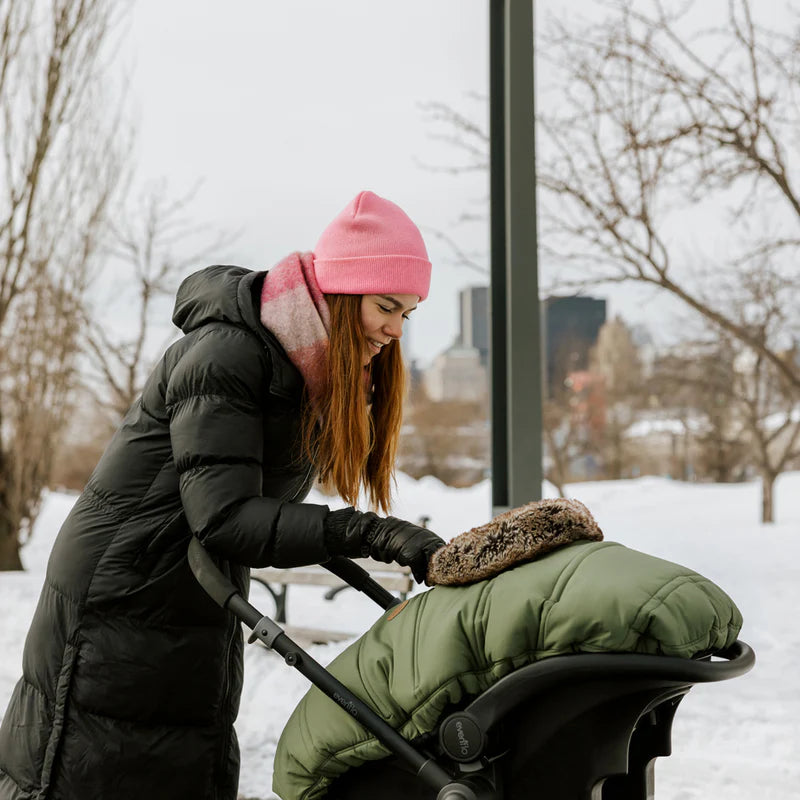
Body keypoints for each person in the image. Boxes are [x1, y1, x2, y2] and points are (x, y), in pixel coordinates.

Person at [0, 190, 445, 800]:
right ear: (342, 295)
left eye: (407, 314)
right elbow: (227, 516)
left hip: (192, 599)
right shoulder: (227, 354)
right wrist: (371, 534)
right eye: (386, 306)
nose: (395, 330)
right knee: (97, 772)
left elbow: (256, 517)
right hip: (121, 603)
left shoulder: (304, 371)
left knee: (179, 762)